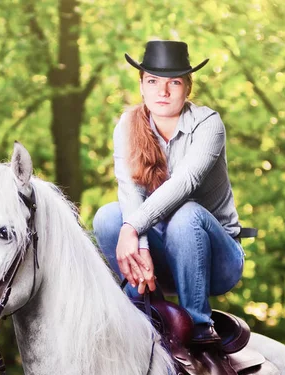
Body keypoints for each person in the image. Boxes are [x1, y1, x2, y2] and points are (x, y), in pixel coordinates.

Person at [93, 40, 245, 344]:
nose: (162, 92)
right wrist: (143, 244)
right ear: (141, 87)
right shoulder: (127, 125)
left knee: (185, 214)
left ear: (187, 88)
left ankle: (198, 327)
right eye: (152, 81)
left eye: (173, 82)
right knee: (108, 217)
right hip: (161, 257)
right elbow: (130, 192)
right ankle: (143, 313)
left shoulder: (208, 124)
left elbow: (184, 183)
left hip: (216, 259)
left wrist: (134, 227)